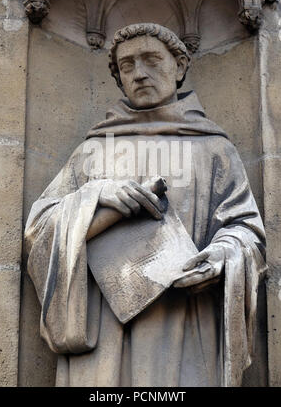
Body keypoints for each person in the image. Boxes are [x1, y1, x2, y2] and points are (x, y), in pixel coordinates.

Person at [25, 23, 267, 387]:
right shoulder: (92, 152)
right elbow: (39, 231)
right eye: (127, 66)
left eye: (152, 60)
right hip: (104, 335)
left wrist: (221, 257)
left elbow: (247, 230)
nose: (139, 74)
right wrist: (95, 199)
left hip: (185, 321)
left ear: (180, 66)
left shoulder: (215, 150)